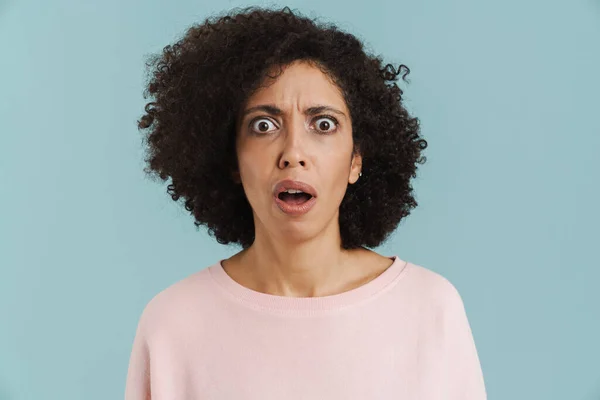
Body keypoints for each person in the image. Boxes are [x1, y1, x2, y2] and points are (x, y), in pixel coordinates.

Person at [125, 5, 487, 399]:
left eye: (324, 124)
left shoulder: (430, 308)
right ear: (231, 159)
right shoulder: (173, 325)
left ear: (355, 160)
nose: (293, 152)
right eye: (264, 125)